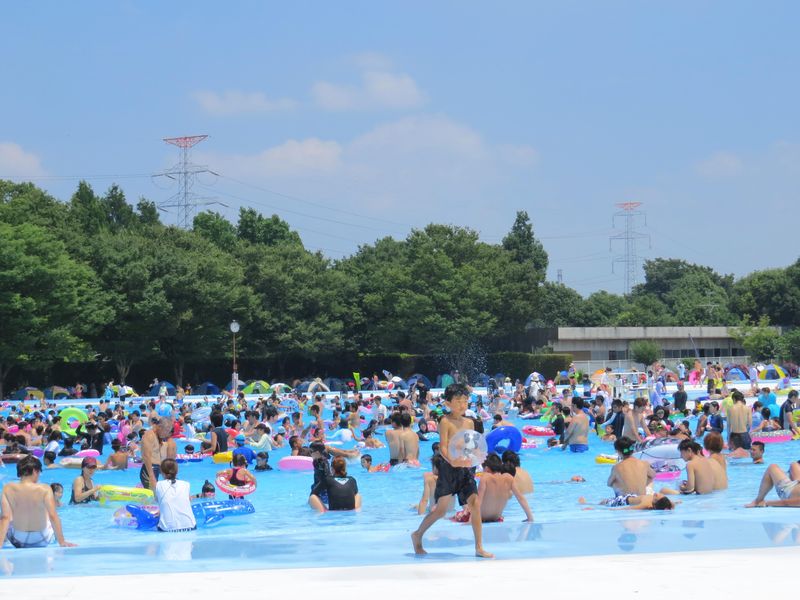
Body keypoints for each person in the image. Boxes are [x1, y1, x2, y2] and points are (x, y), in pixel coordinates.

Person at [411, 383, 492, 558]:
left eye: (465, 401)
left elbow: (470, 445)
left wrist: (478, 456)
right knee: (440, 511)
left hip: (465, 469)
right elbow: (443, 447)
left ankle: (479, 547)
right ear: (448, 403)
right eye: (458, 401)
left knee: (475, 504)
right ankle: (417, 535)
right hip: (449, 469)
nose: (462, 405)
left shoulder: (470, 422)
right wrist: (452, 461)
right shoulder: (445, 421)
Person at [0, 456, 75, 548]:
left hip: (18, 539)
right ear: (35, 471)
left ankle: (3, 542)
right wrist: (62, 541)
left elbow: (5, 518)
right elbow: (53, 516)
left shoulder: (8, 488)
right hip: (42, 539)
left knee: (6, 515)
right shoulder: (44, 488)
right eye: (39, 472)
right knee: (48, 512)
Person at [139, 407, 177, 490]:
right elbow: (146, 457)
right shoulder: (149, 435)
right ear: (159, 426)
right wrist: (152, 477)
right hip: (149, 471)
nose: (166, 434)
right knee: (152, 497)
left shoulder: (157, 436)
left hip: (155, 469)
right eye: (166, 430)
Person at [155, 458, 196, 532]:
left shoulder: (159, 485)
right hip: (190, 526)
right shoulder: (186, 484)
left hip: (167, 529)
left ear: (161, 472)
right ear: (177, 471)